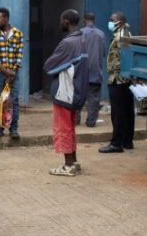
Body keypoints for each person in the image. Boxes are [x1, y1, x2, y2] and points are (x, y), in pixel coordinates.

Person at [43, 10, 90, 177]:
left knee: (62, 128)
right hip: (77, 90)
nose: (60, 23)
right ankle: (74, 162)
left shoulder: (68, 43)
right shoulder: (83, 39)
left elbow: (49, 66)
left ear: (66, 21)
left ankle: (68, 166)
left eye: (61, 20)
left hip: (65, 92)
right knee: (70, 128)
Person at [99, 11, 134, 153]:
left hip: (117, 79)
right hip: (125, 79)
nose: (109, 22)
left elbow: (125, 57)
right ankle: (127, 141)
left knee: (117, 112)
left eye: (111, 20)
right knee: (127, 111)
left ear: (118, 23)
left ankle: (116, 143)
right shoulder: (127, 34)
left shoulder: (120, 37)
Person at [0, 7, 24, 139]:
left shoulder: (18, 34)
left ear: (6, 18)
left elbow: (19, 56)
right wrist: (6, 72)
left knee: (13, 101)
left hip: (15, 73)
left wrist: (13, 73)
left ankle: (13, 130)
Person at [76, 12, 106, 127]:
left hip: (81, 71)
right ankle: (91, 121)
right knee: (93, 98)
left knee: (78, 95)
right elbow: (103, 53)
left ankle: (76, 119)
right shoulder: (101, 34)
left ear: (84, 20)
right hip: (95, 71)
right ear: (94, 20)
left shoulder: (80, 33)